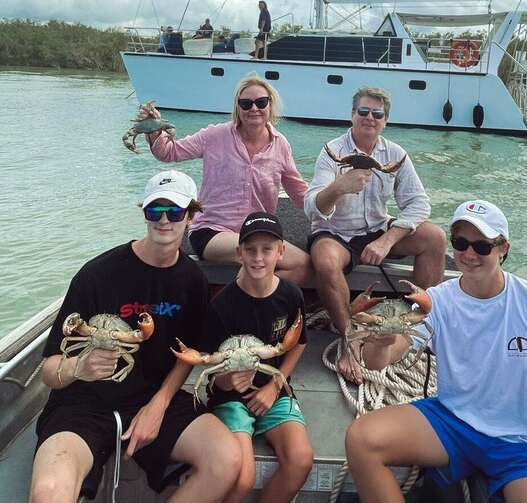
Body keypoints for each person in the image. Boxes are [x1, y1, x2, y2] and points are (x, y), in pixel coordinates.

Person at [345, 199, 527, 503]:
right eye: (460, 243)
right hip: (455, 420)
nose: (469, 254)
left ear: (504, 249)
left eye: (482, 246)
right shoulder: (435, 302)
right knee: (361, 438)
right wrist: (380, 342)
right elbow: (380, 359)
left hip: (523, 442)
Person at [29, 171, 241, 503]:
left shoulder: (191, 280)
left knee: (226, 461)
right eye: (154, 211)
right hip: (82, 405)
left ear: (191, 216)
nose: (164, 221)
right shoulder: (97, 275)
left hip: (151, 397)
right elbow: (48, 370)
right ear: (144, 212)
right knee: (48, 492)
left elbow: (187, 353)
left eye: (174, 212)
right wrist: (78, 368)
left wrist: (159, 404)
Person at [304, 86, 446, 383]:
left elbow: (419, 203)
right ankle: (350, 338)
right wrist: (339, 187)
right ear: (352, 115)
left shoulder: (395, 155)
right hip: (337, 233)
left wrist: (388, 238)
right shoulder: (332, 152)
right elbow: (311, 207)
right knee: (326, 260)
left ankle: (411, 323)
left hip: (378, 229)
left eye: (377, 114)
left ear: (385, 121)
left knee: (435, 238)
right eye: (363, 112)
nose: (370, 118)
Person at [145, 76, 313, 287]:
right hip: (212, 230)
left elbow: (299, 192)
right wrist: (154, 129)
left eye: (261, 102)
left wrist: (330, 212)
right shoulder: (214, 135)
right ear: (238, 107)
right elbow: (169, 152)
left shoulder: (281, 145)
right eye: (246, 103)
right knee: (254, 256)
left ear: (270, 105)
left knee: (303, 265)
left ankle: (248, 300)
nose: (254, 108)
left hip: (257, 230)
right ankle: (238, 307)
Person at [200, 212, 313, 503]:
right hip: (230, 399)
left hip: (274, 389)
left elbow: (298, 343)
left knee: (300, 460)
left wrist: (274, 386)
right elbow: (213, 377)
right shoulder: (220, 307)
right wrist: (231, 380)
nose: (258, 257)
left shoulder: (291, 295)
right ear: (239, 253)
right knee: (242, 477)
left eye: (267, 249)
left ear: (281, 252)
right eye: (250, 249)